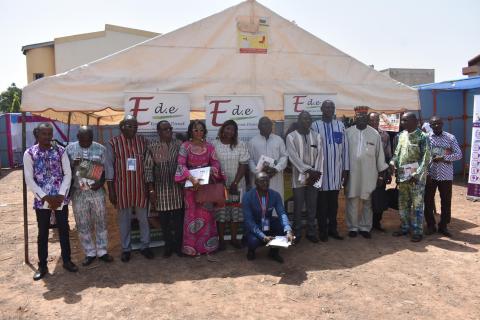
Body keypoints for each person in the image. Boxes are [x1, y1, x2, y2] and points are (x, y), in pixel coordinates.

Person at [23, 123, 78, 280]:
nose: (47, 137)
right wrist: (45, 197)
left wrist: (61, 195)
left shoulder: (60, 151)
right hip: (42, 200)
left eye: (49, 134)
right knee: (43, 232)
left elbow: (67, 174)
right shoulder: (30, 153)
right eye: (44, 134)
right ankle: (42, 265)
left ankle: (67, 261)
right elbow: (29, 179)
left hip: (60, 198)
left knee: (63, 229)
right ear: (37, 135)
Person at [106, 115, 153, 262]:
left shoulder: (143, 142)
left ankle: (145, 246)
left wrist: (150, 187)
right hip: (122, 188)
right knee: (124, 220)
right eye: (130, 126)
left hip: (140, 187)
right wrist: (111, 191)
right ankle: (126, 249)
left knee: (143, 219)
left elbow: (149, 165)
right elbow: (109, 167)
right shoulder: (113, 143)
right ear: (122, 127)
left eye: (135, 126)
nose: (133, 129)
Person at [175, 120, 225, 256]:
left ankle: (208, 247)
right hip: (191, 187)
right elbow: (181, 165)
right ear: (191, 131)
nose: (198, 132)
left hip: (206, 186)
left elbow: (215, 163)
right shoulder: (185, 146)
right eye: (195, 130)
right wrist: (192, 178)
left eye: (201, 130)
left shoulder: (210, 147)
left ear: (205, 131)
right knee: (191, 216)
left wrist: (210, 173)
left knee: (207, 215)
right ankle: (191, 248)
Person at [66, 126, 113, 266]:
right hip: (79, 192)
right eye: (83, 140)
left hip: (96, 191)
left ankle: (102, 251)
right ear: (78, 137)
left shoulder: (100, 149)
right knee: (82, 223)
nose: (87, 142)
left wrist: (101, 182)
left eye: (89, 139)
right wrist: (71, 164)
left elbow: (107, 169)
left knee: (101, 221)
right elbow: (63, 170)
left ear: (92, 138)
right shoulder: (69, 149)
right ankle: (90, 252)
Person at [345, 107, 389, 239]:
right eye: (359, 117)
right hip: (352, 173)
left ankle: (365, 227)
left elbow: (380, 155)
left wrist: (381, 174)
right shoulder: (347, 132)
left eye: (364, 117)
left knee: (367, 201)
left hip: (369, 173)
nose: (362, 119)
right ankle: (353, 227)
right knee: (352, 200)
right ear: (355, 118)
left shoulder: (374, 134)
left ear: (367, 119)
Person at [144, 121, 184, 257]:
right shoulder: (152, 146)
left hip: (178, 189)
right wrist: (151, 189)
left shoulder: (179, 145)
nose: (168, 131)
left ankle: (178, 247)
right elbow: (148, 169)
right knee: (165, 222)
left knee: (178, 221)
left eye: (170, 128)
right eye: (165, 129)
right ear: (158, 132)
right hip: (161, 190)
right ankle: (168, 246)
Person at [389, 112, 431, 242]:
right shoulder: (401, 136)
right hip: (402, 177)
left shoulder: (423, 137)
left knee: (417, 206)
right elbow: (397, 153)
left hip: (416, 179)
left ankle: (417, 231)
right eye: (402, 121)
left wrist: (416, 174)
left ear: (415, 121)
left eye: (406, 120)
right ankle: (405, 227)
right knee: (403, 204)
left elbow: (426, 158)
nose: (403, 123)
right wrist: (392, 162)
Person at [311, 100, 349, 241]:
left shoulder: (340, 125)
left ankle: (333, 229)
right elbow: (312, 148)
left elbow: (344, 149)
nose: (329, 109)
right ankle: (323, 231)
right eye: (326, 107)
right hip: (321, 173)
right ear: (321, 109)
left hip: (336, 172)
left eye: (331, 107)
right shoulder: (315, 126)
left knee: (334, 204)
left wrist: (345, 169)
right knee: (322, 204)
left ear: (334, 110)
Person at [286, 111, 323, 243]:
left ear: (311, 121)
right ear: (299, 120)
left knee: (312, 206)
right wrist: (308, 170)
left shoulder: (317, 136)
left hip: (314, 178)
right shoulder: (291, 137)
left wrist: (315, 173)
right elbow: (293, 157)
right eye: (303, 119)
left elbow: (320, 156)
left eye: (308, 119)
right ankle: (297, 232)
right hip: (298, 178)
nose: (305, 121)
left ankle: (311, 232)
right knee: (298, 206)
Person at [212, 120, 249, 250]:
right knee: (221, 213)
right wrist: (219, 181)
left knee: (235, 212)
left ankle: (234, 239)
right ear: (222, 129)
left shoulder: (240, 144)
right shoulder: (214, 144)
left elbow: (244, 164)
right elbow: (212, 165)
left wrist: (235, 182)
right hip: (219, 185)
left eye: (232, 130)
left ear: (235, 132)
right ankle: (221, 240)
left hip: (237, 185)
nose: (230, 131)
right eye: (227, 128)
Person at [243, 172, 294, 263]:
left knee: (282, 227)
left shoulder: (275, 195)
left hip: (267, 221)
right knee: (253, 241)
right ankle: (251, 250)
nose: (265, 183)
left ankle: (274, 252)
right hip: (255, 224)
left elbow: (282, 213)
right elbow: (249, 221)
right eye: (262, 181)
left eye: (267, 181)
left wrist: (288, 230)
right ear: (256, 182)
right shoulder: (247, 197)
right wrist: (263, 236)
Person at [424, 116, 462, 237]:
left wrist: (444, 158)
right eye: (433, 124)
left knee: (446, 201)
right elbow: (423, 156)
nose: (436, 126)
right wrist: (426, 173)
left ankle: (443, 225)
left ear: (442, 124)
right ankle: (430, 225)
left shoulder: (450, 137)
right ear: (430, 125)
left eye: (438, 123)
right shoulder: (426, 138)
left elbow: (459, 154)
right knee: (428, 200)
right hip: (431, 174)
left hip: (446, 176)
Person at [247, 116, 288, 200]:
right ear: (259, 126)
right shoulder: (252, 142)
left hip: (275, 176)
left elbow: (284, 156)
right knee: (259, 203)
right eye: (263, 124)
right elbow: (250, 159)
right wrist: (258, 172)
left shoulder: (278, 140)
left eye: (268, 124)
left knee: (275, 202)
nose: (266, 126)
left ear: (271, 125)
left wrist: (276, 169)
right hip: (259, 177)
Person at [368, 112, 393, 231]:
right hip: (366, 173)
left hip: (380, 173)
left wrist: (387, 173)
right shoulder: (363, 134)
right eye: (371, 120)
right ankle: (366, 224)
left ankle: (376, 223)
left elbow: (388, 156)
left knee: (379, 197)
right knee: (367, 199)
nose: (374, 122)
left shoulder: (385, 135)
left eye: (376, 120)